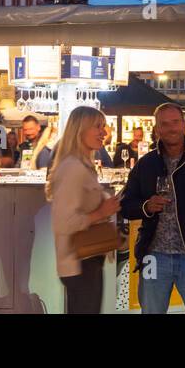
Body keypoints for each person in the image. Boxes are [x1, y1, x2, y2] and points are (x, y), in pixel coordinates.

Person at [119, 103, 185, 313]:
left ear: (184, 125)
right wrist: (146, 206)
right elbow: (126, 205)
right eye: (165, 124)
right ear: (157, 129)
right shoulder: (146, 163)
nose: (171, 128)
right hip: (154, 255)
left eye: (175, 122)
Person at [47, 106, 121, 314]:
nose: (104, 133)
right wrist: (101, 212)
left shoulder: (82, 165)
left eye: (104, 127)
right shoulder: (73, 168)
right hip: (79, 262)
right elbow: (63, 222)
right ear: (80, 129)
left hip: (86, 259)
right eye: (98, 126)